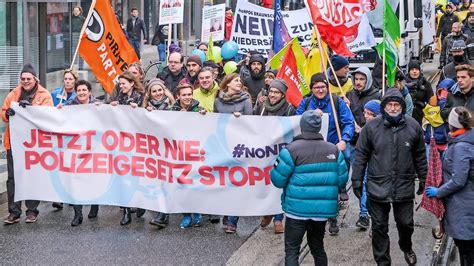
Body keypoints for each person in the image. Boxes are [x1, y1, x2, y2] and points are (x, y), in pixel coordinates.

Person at [352, 88, 427, 266]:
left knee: (406, 223)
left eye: (396, 105)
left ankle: (406, 246)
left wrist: (424, 177)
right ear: (384, 106)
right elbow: (361, 155)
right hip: (378, 185)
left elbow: (420, 156)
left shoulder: (413, 126)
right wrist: (356, 179)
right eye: (390, 105)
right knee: (379, 227)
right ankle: (383, 261)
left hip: (404, 184)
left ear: (402, 106)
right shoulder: (371, 128)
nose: (393, 108)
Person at [270, 110, 349, 265]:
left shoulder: (291, 150)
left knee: (292, 250)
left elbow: (277, 180)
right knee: (318, 247)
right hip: (322, 211)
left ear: (302, 127)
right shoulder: (334, 150)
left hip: (296, 210)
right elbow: (342, 180)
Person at [295, 73, 355, 235]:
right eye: (316, 87)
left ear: (327, 88)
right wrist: (309, 115)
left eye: (323, 87)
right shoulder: (306, 102)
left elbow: (348, 122)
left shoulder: (337, 102)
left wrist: (344, 140)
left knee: (330, 184)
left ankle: (332, 216)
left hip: (331, 147)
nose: (320, 90)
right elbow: (295, 120)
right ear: (312, 88)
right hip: (311, 150)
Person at [2, 63, 53, 225]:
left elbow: (48, 116)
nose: (25, 81)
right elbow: (3, 113)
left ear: (35, 78)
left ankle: (31, 211)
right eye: (23, 78)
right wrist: (8, 114)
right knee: (12, 178)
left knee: (32, 177)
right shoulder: (13, 94)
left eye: (28, 78)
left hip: (34, 145)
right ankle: (14, 212)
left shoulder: (44, 94)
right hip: (14, 144)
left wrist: (31, 110)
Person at [149, 84, 205, 229]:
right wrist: (150, 113)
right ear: (178, 96)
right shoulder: (170, 111)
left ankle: (197, 213)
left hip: (194, 152)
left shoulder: (199, 110)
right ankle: (186, 215)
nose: (187, 97)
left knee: (194, 183)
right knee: (181, 184)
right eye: (184, 95)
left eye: (189, 94)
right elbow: (161, 125)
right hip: (177, 153)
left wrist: (203, 117)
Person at [425, 106, 474, 266]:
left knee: (467, 251)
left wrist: (438, 192)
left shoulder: (461, 147)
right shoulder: (463, 140)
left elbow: (459, 180)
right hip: (464, 204)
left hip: (464, 206)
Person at [57, 80, 100, 226]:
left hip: (93, 148)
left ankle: (95, 204)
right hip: (75, 148)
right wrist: (59, 109)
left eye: (84, 90)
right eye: (79, 90)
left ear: (89, 91)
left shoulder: (98, 105)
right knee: (75, 180)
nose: (81, 92)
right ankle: (78, 213)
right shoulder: (70, 106)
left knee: (93, 178)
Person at [110, 71, 146, 225]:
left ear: (132, 83)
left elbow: (147, 116)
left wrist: (138, 110)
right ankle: (126, 212)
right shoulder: (119, 97)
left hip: (137, 142)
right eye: (120, 83)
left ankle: (140, 203)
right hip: (122, 142)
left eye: (124, 83)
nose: (121, 85)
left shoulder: (141, 97)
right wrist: (111, 107)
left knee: (138, 175)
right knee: (123, 175)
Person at [354, 99, 382, 231]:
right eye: (365, 112)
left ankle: (376, 219)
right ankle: (364, 214)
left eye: (369, 113)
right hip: (366, 165)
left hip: (379, 167)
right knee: (364, 187)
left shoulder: (384, 130)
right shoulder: (365, 129)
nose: (365, 116)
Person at [423, 78, 457, 158]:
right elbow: (427, 120)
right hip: (431, 141)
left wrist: (444, 101)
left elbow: (444, 113)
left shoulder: (453, 105)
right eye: (440, 91)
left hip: (445, 142)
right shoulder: (433, 102)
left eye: (445, 92)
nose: (442, 94)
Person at [405, 60, 434, 125]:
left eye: (416, 69)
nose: (414, 71)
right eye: (412, 69)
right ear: (409, 71)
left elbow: (431, 99)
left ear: (419, 71)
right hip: (407, 114)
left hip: (421, 114)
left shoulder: (426, 84)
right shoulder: (404, 83)